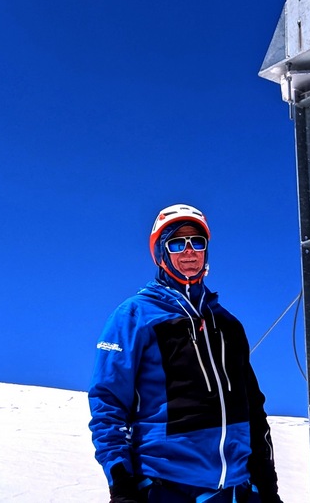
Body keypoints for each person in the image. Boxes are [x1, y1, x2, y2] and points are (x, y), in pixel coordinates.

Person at [88, 203, 284, 503]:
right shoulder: (135, 315)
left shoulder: (228, 325)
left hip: (236, 490)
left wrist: (267, 486)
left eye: (197, 242)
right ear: (160, 253)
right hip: (166, 487)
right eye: (177, 243)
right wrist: (122, 484)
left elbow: (254, 410)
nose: (189, 251)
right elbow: (108, 402)